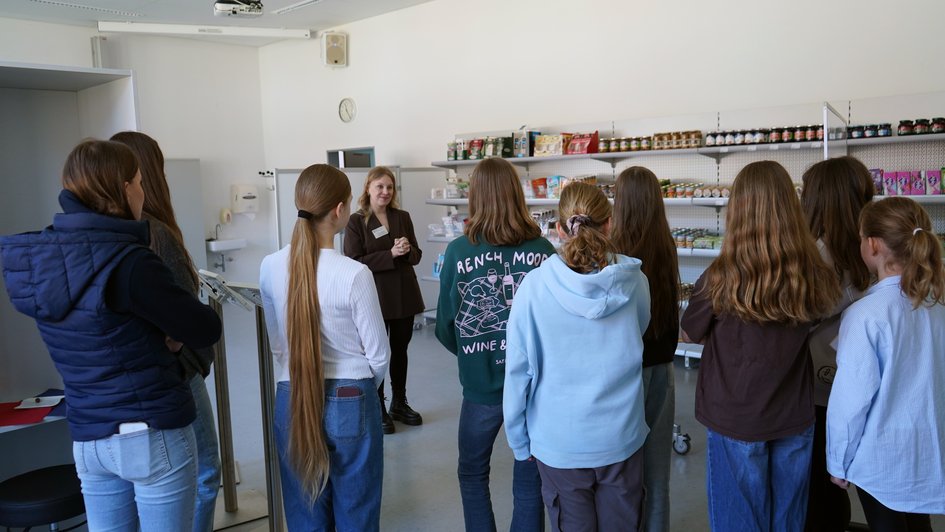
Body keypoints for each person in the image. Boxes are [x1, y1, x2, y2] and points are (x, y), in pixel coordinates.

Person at [0, 139, 222, 530]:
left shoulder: (39, 260)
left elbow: (97, 330)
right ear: (123, 189)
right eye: (138, 181)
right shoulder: (130, 262)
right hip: (150, 434)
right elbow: (204, 327)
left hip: (88, 437)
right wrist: (168, 334)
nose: (142, 190)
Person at [680, 160, 840, 531]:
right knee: (787, 521)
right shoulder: (813, 274)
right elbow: (818, 315)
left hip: (734, 417)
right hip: (794, 414)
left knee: (739, 520)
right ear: (790, 207)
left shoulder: (720, 277)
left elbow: (690, 333)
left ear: (738, 210)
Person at [503, 182, 650, 531]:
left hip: (559, 443)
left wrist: (519, 441)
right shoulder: (635, 282)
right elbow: (638, 331)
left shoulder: (534, 288)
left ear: (558, 228)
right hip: (620, 437)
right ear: (609, 224)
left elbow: (518, 371)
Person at [259, 163, 390, 531]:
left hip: (292, 393)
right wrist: (360, 390)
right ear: (339, 210)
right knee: (357, 511)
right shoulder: (354, 274)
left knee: (305, 512)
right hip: (351, 394)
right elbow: (378, 355)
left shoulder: (269, 267)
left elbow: (277, 344)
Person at [111, 130, 221, 532]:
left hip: (124, 384)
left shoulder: (107, 236)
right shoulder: (154, 232)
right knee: (206, 470)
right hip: (175, 373)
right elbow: (188, 321)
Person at [435, 157, 552, 532]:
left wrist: (476, 354)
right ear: (516, 195)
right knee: (530, 474)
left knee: (472, 474)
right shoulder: (543, 250)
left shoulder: (457, 252)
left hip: (481, 386)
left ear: (475, 198)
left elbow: (445, 326)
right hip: (535, 388)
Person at [826, 196, 945, 532]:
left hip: (882, 459)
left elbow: (850, 402)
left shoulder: (865, 314)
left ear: (873, 245)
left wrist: (838, 460)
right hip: (930, 450)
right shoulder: (937, 301)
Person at [799, 156, 874, 532]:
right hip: (860, 383)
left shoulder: (820, 255)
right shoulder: (871, 250)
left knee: (820, 486)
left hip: (820, 389)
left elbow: (799, 318)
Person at [610, 166, 679, 532]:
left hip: (624, 372)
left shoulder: (614, 253)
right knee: (657, 472)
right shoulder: (665, 244)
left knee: (623, 468)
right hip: (662, 367)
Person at [344, 166, 425, 434]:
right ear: (368, 188)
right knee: (377, 354)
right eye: (380, 186)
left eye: (389, 187)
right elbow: (353, 262)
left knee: (400, 351)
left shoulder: (402, 217)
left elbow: (417, 256)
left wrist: (407, 249)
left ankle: (399, 402)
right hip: (375, 297)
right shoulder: (357, 221)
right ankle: (377, 405)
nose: (385, 192)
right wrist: (389, 254)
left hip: (404, 295)